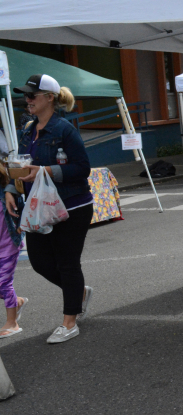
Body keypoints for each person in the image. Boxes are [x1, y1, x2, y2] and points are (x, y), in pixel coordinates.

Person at [3, 74, 92, 344]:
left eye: (32, 96)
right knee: (41, 263)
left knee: (67, 263)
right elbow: (20, 164)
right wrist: (10, 189)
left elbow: (82, 168)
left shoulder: (64, 129)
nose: (27, 100)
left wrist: (44, 171)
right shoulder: (29, 129)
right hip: (38, 207)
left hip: (71, 206)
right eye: (26, 96)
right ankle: (78, 293)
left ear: (50, 98)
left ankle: (69, 322)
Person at [0, 163, 26, 338]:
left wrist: (20, 227)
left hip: (8, 245)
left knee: (3, 283)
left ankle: (13, 323)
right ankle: (16, 302)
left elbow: (23, 206)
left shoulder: (6, 192)